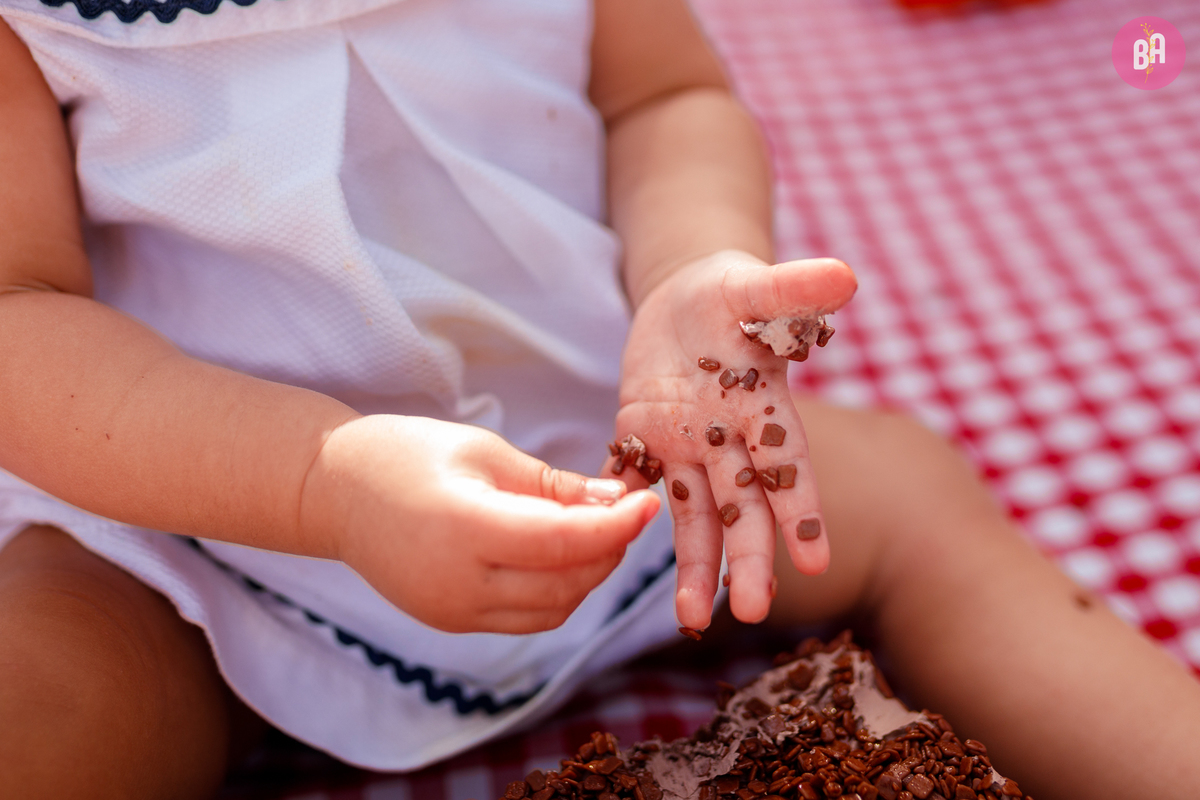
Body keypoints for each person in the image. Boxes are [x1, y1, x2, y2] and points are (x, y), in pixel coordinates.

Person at [0, 1, 1196, 798]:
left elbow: (665, 99)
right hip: (202, 535)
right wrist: (321, 484)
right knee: (51, 693)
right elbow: (23, 311)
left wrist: (690, 273)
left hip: (619, 454)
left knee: (913, 500)